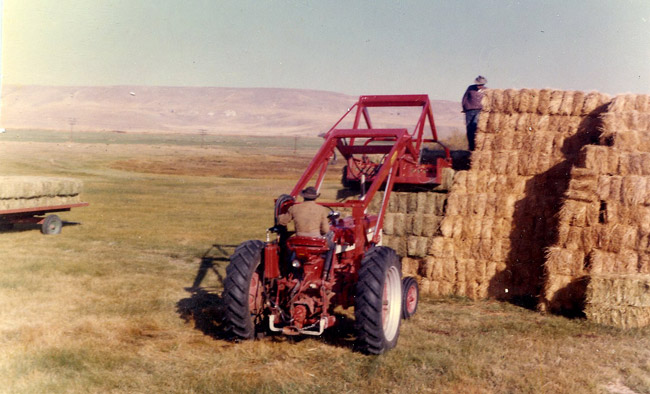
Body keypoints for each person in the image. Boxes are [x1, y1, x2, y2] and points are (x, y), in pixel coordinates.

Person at [461, 75, 487, 151]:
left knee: (476, 126)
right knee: (469, 129)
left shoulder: (487, 90)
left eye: (481, 85)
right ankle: (471, 147)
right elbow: (465, 98)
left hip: (480, 111)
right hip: (469, 110)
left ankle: (477, 146)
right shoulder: (470, 88)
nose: (479, 86)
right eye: (478, 84)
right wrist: (464, 107)